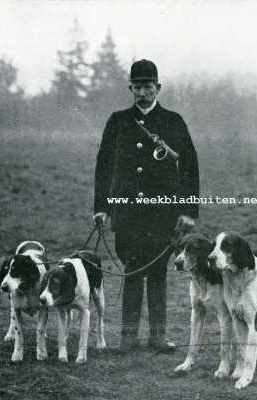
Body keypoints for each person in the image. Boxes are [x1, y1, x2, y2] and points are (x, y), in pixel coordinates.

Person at [93, 59, 199, 353]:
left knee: (157, 271)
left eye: (148, 86)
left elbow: (189, 166)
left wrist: (189, 211)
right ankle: (128, 337)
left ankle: (157, 336)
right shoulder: (117, 121)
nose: (142, 92)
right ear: (130, 88)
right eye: (137, 87)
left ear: (158, 88)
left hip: (161, 215)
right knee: (131, 270)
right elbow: (104, 167)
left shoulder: (173, 122)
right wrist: (101, 207)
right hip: (126, 213)